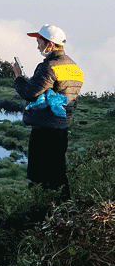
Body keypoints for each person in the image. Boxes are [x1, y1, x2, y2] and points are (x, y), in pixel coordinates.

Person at [11, 24, 84, 197]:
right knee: (58, 173)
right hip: (61, 128)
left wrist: (18, 77)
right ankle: (64, 212)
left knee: (38, 177)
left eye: (39, 42)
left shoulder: (49, 67)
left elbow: (29, 93)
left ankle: (39, 214)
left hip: (44, 129)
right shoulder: (75, 68)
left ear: (50, 44)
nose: (38, 47)